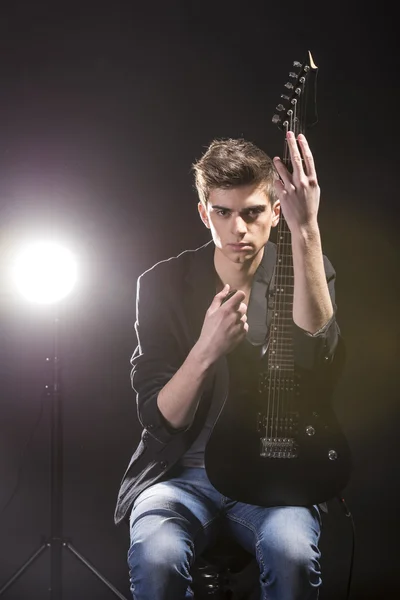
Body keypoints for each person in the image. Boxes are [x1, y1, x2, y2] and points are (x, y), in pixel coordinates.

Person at [114, 131, 344, 599]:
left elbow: (321, 357)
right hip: (179, 477)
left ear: (276, 212)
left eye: (253, 212)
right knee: (155, 557)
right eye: (223, 212)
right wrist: (206, 348)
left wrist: (308, 230)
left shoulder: (308, 270)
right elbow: (161, 418)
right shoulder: (162, 284)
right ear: (204, 213)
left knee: (294, 555)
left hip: (274, 479)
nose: (237, 228)